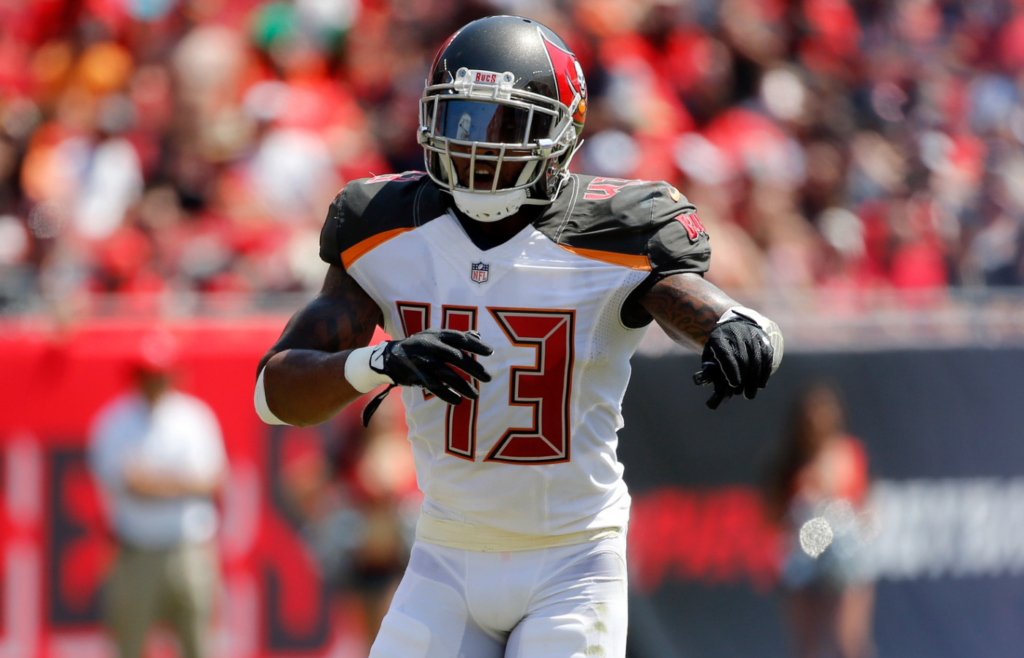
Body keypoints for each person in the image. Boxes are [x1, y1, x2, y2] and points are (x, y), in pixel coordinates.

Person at [254, 15, 783, 658]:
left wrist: (741, 330)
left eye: (507, 125)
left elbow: (710, 310)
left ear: (561, 132)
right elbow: (273, 392)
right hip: (445, 555)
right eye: (461, 121)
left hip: (573, 563)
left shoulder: (612, 233)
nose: (478, 146)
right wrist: (383, 359)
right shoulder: (382, 229)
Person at [89, 335, 227, 658]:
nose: (156, 381)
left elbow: (214, 480)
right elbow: (131, 486)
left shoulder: (195, 417)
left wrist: (153, 483)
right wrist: (182, 483)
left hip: (189, 550)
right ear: (136, 377)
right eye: (148, 374)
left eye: (162, 373)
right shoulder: (115, 421)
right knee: (130, 647)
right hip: (136, 552)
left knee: (200, 645)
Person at [766, 383, 875, 658]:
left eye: (823, 413)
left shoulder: (851, 455)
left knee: (847, 640)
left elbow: (866, 508)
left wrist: (844, 525)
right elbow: (773, 516)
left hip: (846, 560)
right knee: (807, 647)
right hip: (805, 563)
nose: (817, 422)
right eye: (810, 416)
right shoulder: (788, 466)